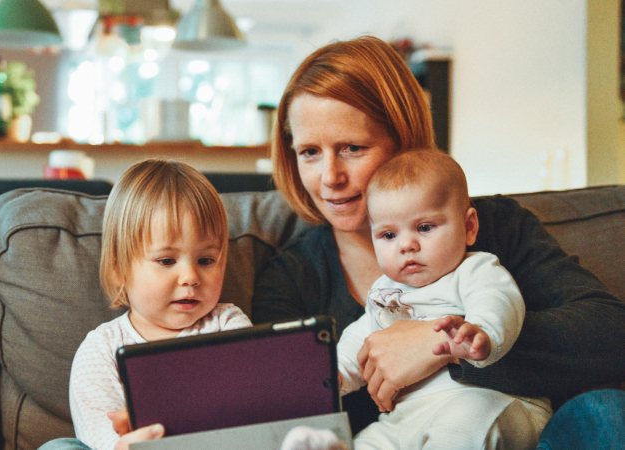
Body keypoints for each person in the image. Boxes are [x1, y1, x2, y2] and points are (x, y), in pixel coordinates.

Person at [251, 35, 625, 446]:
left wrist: (442, 343)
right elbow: (283, 406)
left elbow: (610, 334)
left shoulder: (495, 226)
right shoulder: (289, 277)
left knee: (605, 412)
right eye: (309, 152)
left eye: (352, 148)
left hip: (509, 429)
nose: (329, 178)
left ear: (403, 140)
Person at [336, 148, 549, 449]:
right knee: (369, 441)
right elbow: (361, 340)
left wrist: (481, 333)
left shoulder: (474, 269)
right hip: (407, 416)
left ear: (469, 227)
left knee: (463, 427)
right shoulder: (383, 292)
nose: (407, 245)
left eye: (424, 228)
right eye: (388, 235)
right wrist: (334, 376)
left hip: (487, 401)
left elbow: (498, 300)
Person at [39, 159, 251, 450]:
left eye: (206, 260)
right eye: (166, 261)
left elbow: (248, 406)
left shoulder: (228, 324)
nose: (190, 277)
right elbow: (100, 432)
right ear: (118, 268)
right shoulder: (102, 347)